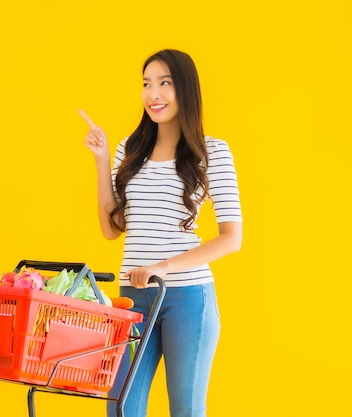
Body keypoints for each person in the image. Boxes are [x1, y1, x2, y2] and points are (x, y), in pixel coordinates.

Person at [80, 49, 243, 417]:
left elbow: (231, 238)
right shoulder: (130, 149)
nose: (153, 94)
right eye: (146, 84)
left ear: (185, 89)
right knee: (121, 407)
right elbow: (111, 229)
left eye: (164, 83)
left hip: (187, 298)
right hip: (132, 298)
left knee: (185, 409)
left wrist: (165, 266)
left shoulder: (212, 152)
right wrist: (103, 160)